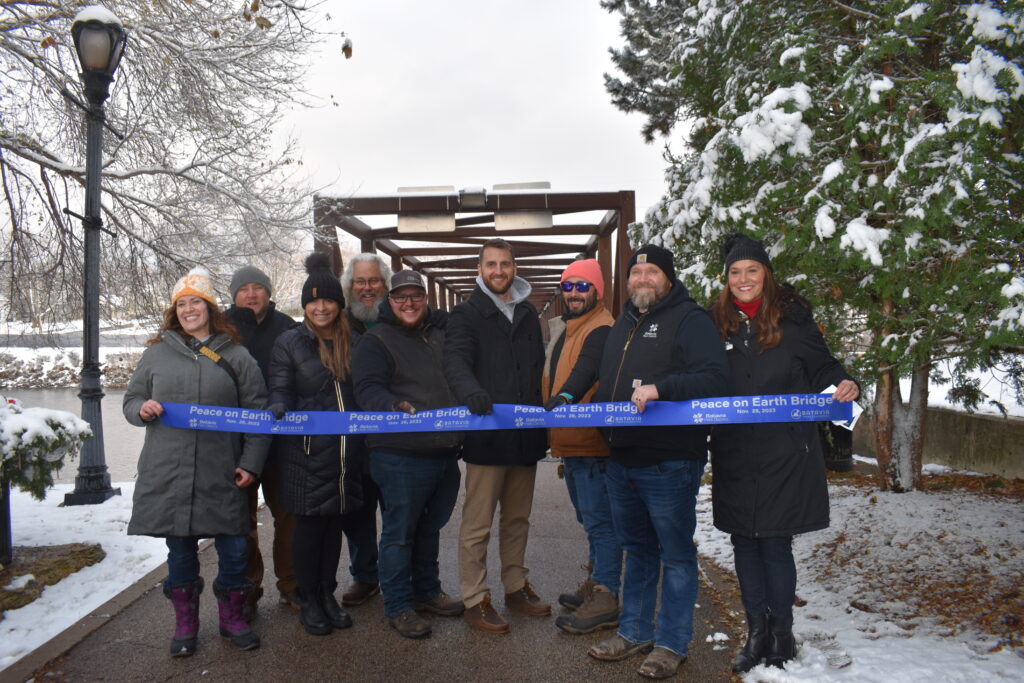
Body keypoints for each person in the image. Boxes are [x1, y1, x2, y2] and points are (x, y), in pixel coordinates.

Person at [708, 234, 859, 672]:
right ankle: (755, 632)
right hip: (735, 452)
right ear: (727, 279)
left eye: (751, 270)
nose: (743, 279)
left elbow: (825, 368)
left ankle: (781, 634)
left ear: (766, 274)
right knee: (743, 541)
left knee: (774, 544)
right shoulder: (715, 323)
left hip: (785, 452)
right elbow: (696, 375)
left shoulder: (793, 321)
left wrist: (845, 383)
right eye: (735, 272)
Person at [588, 244, 730, 679]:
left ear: (668, 278)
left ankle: (671, 643)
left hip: (669, 462)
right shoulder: (624, 322)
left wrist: (660, 388)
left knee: (675, 554)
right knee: (638, 550)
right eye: (636, 273)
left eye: (651, 272)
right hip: (622, 460)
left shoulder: (690, 320)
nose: (643, 279)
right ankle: (634, 632)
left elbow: (715, 377)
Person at [124, 267, 269, 657]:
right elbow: (130, 401)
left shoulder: (237, 357)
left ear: (210, 308)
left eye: (196, 302)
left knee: (236, 552)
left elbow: (258, 416)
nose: (189, 309)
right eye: (182, 303)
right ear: (175, 311)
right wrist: (143, 409)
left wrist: (251, 464)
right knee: (181, 554)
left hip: (221, 473)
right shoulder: (156, 353)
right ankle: (185, 625)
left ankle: (233, 619)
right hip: (170, 473)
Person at [444, 238, 549, 634]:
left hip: (525, 437)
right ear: (480, 269)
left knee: (518, 520)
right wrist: (470, 390)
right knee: (478, 524)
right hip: (487, 435)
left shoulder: (526, 311)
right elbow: (454, 360)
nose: (499, 271)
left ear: (514, 267)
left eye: (505, 264)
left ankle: (515, 586)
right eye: (491, 264)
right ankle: (475, 597)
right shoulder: (467, 314)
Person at [352, 270, 464, 638]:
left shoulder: (439, 333)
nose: (409, 303)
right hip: (399, 454)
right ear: (390, 300)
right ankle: (399, 604)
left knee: (430, 527)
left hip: (444, 450)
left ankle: (427, 590)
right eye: (401, 297)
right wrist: (392, 405)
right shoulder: (376, 341)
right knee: (400, 532)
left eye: (416, 296)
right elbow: (367, 389)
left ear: (427, 299)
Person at [266, 252, 365, 636]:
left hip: (346, 453)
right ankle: (308, 598)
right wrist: (278, 406)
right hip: (306, 453)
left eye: (327, 300)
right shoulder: (289, 343)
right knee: (308, 529)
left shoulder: (353, 341)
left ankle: (328, 594)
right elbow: (280, 387)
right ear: (305, 304)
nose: (320, 307)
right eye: (312, 301)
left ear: (338, 304)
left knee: (333, 527)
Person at [541, 259, 621, 635]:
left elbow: (586, 368)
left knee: (601, 523)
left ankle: (606, 595)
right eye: (568, 286)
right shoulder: (572, 326)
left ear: (597, 290)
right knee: (591, 521)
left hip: (590, 443)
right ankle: (596, 582)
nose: (574, 293)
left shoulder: (601, 328)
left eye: (582, 286)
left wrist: (565, 396)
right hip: (573, 441)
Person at [224, 265, 300, 615]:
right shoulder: (220, 328)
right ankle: (249, 587)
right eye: (244, 289)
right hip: (234, 442)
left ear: (269, 293)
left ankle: (292, 584)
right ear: (234, 294)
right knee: (241, 522)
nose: (251, 294)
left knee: (288, 517)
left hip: (281, 440)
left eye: (258, 288)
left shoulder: (287, 327)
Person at [336, 253, 393, 606]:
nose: (367, 288)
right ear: (349, 287)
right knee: (356, 512)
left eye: (374, 281)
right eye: (360, 282)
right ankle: (365, 575)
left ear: (385, 285)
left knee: (398, 512)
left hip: (393, 434)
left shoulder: (401, 317)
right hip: (352, 435)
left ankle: (398, 575)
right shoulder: (338, 323)